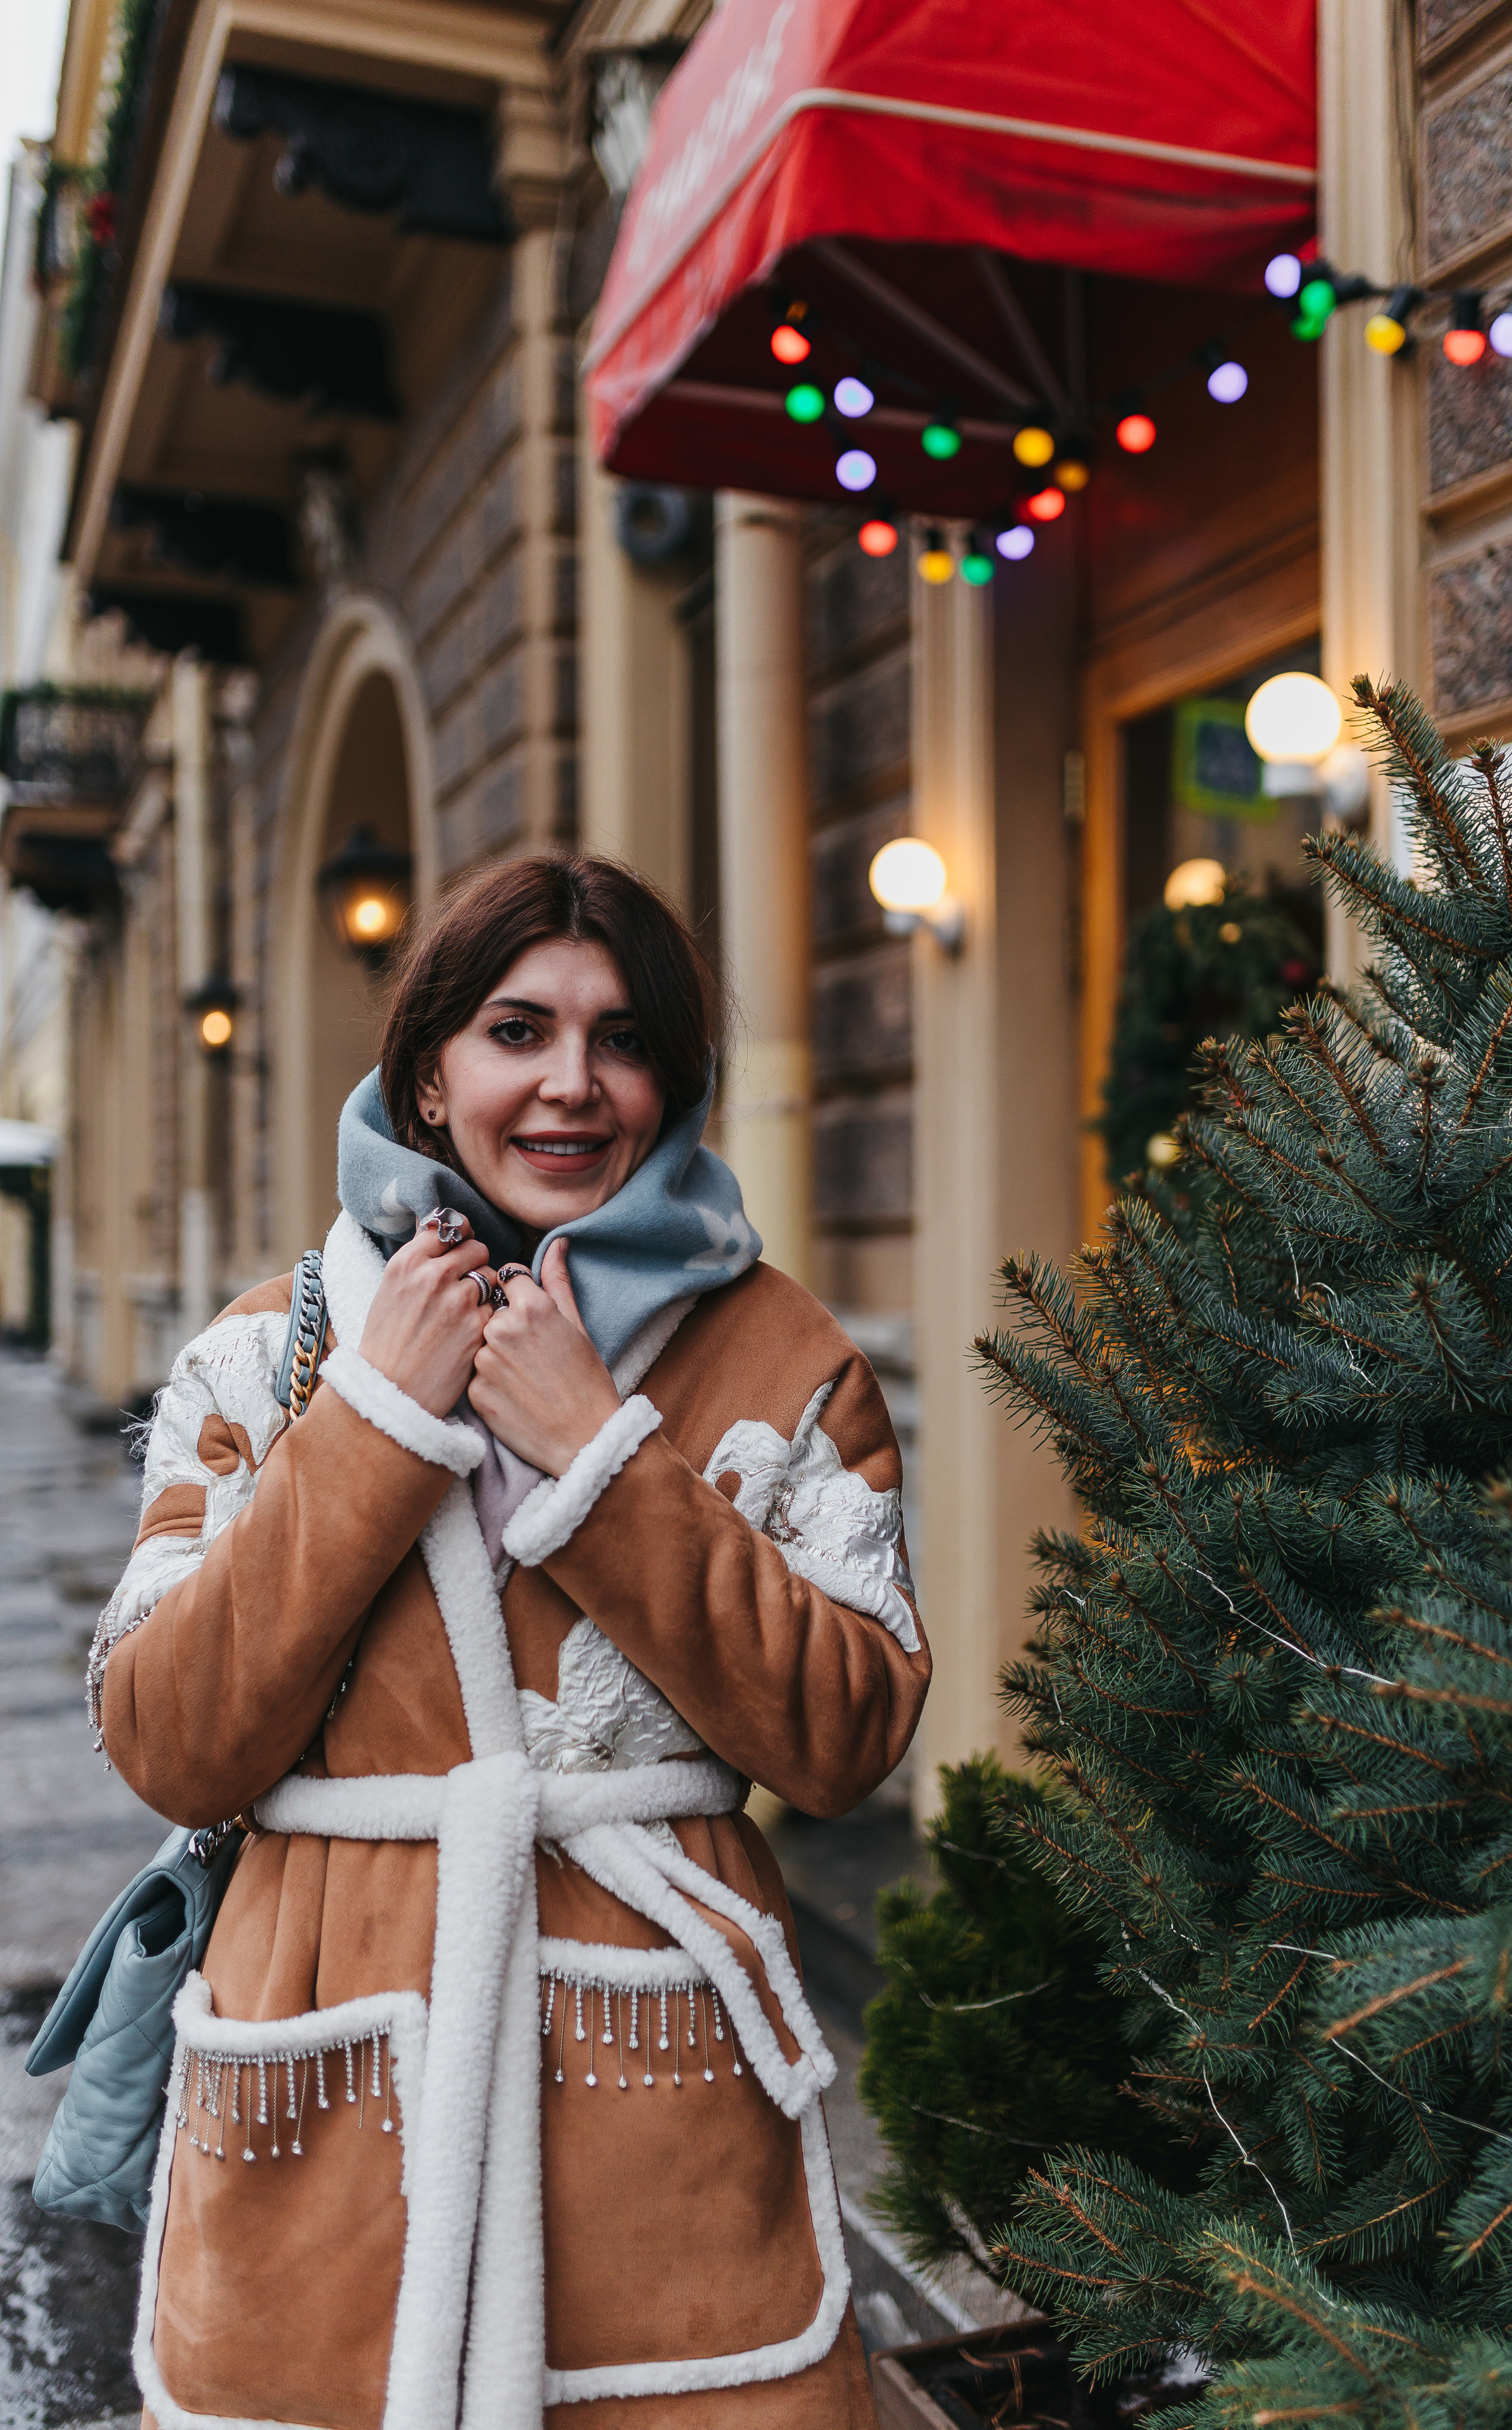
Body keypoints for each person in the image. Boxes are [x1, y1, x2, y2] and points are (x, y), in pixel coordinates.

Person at [90, 852, 929, 2430]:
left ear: (673, 1083)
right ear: (429, 1073)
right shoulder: (266, 1355)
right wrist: (373, 1422)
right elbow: (169, 1742)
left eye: (623, 1041)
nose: (571, 1084)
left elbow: (843, 1739)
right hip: (331, 2071)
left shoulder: (782, 1357)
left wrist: (602, 1457)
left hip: (655, 2096)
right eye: (517, 1030)